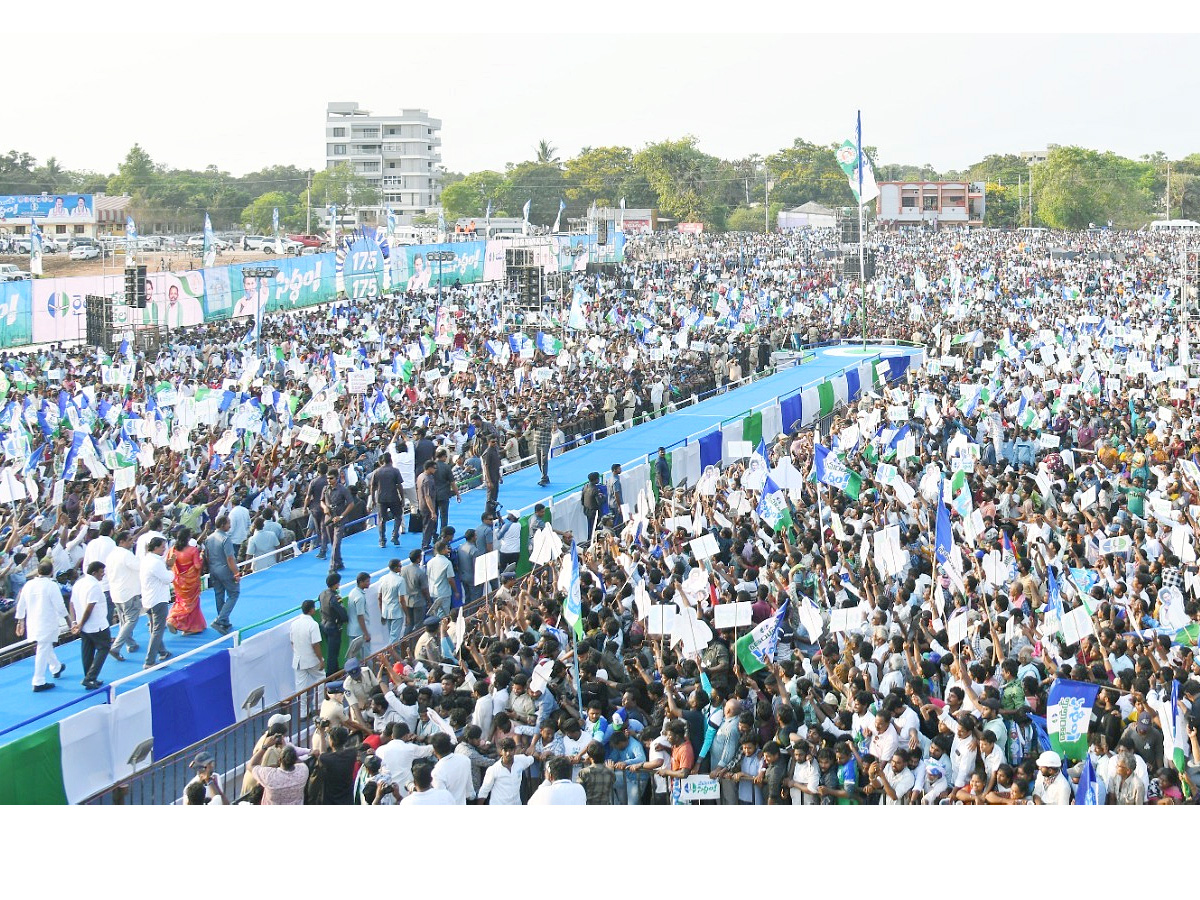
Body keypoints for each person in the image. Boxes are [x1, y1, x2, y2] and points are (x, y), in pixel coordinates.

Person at [69, 560, 111, 689]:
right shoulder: (94, 586)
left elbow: (71, 604)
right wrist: (80, 624)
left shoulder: (79, 583)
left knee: (87, 650)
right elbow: (90, 607)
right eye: (101, 572)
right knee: (104, 648)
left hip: (85, 626)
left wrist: (75, 622)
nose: (103, 575)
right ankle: (90, 677)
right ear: (94, 572)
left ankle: (89, 677)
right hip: (96, 624)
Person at [105, 530, 142, 661]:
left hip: (116, 592)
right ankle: (116, 647)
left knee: (124, 621)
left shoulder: (110, 556)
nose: (132, 542)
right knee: (131, 620)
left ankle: (131, 644)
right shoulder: (126, 555)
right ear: (121, 541)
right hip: (128, 592)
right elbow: (140, 566)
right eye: (130, 540)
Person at [139, 536, 175, 669]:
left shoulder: (146, 560)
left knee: (154, 628)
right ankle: (149, 661)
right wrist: (170, 568)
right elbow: (167, 578)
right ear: (155, 547)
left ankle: (162, 651)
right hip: (158, 599)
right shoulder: (156, 562)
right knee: (157, 630)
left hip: (148, 599)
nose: (164, 549)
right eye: (162, 547)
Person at [203, 516, 240, 635]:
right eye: (228, 523)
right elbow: (230, 558)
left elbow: (206, 556)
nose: (230, 526)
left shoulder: (209, 538)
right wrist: (236, 572)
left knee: (219, 595)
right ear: (223, 524)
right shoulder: (225, 539)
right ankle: (220, 619)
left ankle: (224, 621)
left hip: (214, 570)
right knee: (234, 594)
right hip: (225, 570)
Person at [166, 527, 206, 636]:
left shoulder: (172, 549)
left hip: (179, 583)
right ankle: (174, 620)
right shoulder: (193, 550)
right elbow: (197, 566)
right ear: (188, 538)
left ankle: (188, 626)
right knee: (190, 604)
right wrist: (201, 556)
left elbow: (169, 563)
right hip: (191, 583)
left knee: (180, 601)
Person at [248, 734, 308, 805]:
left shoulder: (270, 776)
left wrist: (265, 746)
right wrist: (285, 747)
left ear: (279, 760)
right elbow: (299, 762)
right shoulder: (303, 771)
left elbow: (251, 765)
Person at [476, 737, 534, 805]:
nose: (508, 753)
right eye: (505, 750)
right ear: (500, 751)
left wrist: (539, 754)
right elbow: (484, 791)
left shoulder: (521, 760)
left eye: (511, 750)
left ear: (515, 750)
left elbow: (531, 758)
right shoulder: (493, 770)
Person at [290, 598, 325, 702]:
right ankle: (318, 705)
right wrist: (321, 660)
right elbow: (315, 644)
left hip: (298, 660)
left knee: (300, 688)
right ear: (311, 610)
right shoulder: (313, 625)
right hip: (312, 660)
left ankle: (302, 713)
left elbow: (292, 642)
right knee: (321, 679)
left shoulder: (294, 624)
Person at [369, 452, 404, 547]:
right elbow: (399, 486)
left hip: (381, 498)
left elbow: (372, 486)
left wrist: (373, 499)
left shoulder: (376, 472)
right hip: (393, 497)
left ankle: (382, 540)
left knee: (382, 520)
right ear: (391, 460)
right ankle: (395, 535)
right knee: (398, 516)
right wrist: (402, 498)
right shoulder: (395, 471)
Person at [430, 732, 474, 803]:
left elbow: (441, 799)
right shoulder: (465, 760)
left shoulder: (437, 772)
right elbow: (469, 789)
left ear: (434, 751)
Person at [318, 572, 348, 678]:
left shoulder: (322, 593)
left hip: (324, 624)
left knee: (332, 651)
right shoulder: (335, 597)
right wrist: (345, 619)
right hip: (333, 627)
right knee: (333, 653)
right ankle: (331, 675)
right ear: (335, 584)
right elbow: (341, 612)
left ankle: (335, 670)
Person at [378, 558, 407, 646]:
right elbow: (401, 599)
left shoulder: (383, 578)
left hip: (386, 612)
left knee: (393, 636)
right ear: (395, 568)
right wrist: (407, 615)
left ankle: (394, 657)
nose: (401, 568)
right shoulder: (400, 580)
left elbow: (379, 597)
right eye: (400, 566)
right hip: (396, 612)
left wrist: (382, 613)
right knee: (394, 638)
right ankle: (389, 656)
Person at [344, 571, 371, 662]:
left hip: (352, 630)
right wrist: (366, 633)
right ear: (361, 582)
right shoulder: (360, 597)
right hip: (360, 632)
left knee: (352, 656)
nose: (369, 583)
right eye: (367, 581)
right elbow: (360, 617)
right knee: (367, 657)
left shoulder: (352, 592)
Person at [426, 540, 456, 620]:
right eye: (446, 548)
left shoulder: (430, 562)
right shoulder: (447, 563)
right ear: (443, 550)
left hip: (433, 592)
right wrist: (456, 591)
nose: (448, 550)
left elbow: (428, 576)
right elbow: (450, 579)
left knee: (436, 612)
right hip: (444, 593)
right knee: (443, 615)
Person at [416, 459, 438, 550]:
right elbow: (427, 496)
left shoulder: (421, 476)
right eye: (434, 468)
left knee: (426, 525)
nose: (435, 470)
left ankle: (425, 542)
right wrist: (432, 511)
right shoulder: (428, 479)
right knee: (428, 526)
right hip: (427, 506)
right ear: (429, 468)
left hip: (422, 504)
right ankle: (425, 544)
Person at [482, 434, 502, 514]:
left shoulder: (495, 450)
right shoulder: (488, 452)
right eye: (493, 442)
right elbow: (486, 467)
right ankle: (487, 514)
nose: (495, 443)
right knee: (490, 498)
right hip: (491, 477)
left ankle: (493, 513)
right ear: (488, 442)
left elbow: (496, 465)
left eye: (496, 442)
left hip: (496, 476)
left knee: (495, 496)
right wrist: (489, 481)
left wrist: (500, 477)